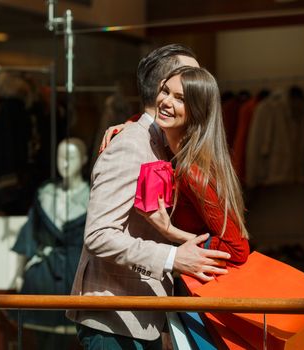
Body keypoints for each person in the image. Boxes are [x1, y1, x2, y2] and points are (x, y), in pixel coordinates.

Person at [67, 44, 232, 350]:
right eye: (187, 78)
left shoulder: (167, 145)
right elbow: (99, 234)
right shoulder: (132, 144)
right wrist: (172, 258)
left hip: (144, 316)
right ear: (162, 88)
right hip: (115, 317)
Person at [137, 65, 250, 265]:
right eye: (165, 91)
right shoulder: (181, 152)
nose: (166, 101)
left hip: (208, 289)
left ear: (196, 111)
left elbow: (237, 249)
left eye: (180, 99)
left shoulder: (192, 171)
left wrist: (171, 232)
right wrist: (126, 127)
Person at [10, 138, 89, 349]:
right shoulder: (44, 195)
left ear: (83, 159)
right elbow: (29, 232)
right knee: (42, 341)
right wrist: (18, 273)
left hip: (76, 278)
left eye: (70, 157)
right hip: (43, 277)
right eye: (60, 157)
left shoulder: (94, 196)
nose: (64, 163)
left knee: (75, 339)